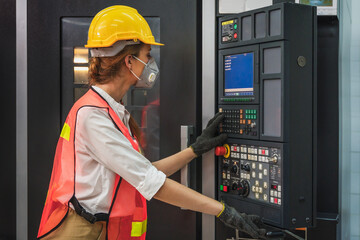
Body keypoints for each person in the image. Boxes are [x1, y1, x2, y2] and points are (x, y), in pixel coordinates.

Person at [37, 5, 267, 240]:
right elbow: (152, 183)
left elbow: (144, 172)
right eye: (147, 55)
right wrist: (224, 212)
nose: (151, 62)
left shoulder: (110, 110)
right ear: (129, 61)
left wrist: (194, 150)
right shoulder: (93, 116)